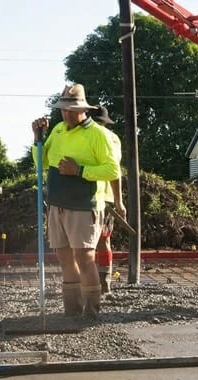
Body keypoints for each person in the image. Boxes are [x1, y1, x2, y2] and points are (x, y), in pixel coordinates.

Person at [31, 84, 120, 316]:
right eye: (63, 109)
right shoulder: (59, 130)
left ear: (83, 109)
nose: (66, 114)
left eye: (71, 109)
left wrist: (79, 170)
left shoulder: (98, 134)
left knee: (85, 256)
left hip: (83, 205)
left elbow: (112, 170)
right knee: (64, 257)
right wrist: (37, 140)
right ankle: (72, 309)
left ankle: (92, 311)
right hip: (57, 203)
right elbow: (41, 162)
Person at [89, 105, 125, 295]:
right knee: (104, 241)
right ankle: (104, 284)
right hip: (107, 198)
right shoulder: (114, 138)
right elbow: (115, 170)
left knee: (83, 245)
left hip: (87, 198)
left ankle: (87, 284)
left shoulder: (86, 135)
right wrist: (119, 201)